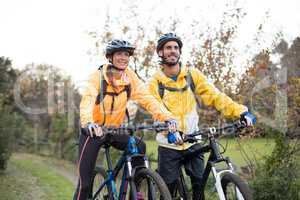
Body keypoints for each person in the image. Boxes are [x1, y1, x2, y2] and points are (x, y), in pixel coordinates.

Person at [147, 33, 256, 200]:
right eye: (168, 48)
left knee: (199, 187)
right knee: (167, 192)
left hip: (193, 140)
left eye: (176, 48)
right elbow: (155, 108)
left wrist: (240, 112)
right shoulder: (155, 81)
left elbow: (215, 96)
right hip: (169, 144)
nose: (173, 51)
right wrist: (167, 128)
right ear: (160, 53)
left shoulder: (192, 75)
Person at [73, 39, 177, 200]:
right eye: (119, 54)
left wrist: (168, 117)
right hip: (94, 131)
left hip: (115, 130)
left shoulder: (130, 77)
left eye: (126, 54)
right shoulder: (98, 77)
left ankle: (134, 192)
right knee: (85, 184)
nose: (123, 57)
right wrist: (88, 123)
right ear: (110, 57)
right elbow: (87, 100)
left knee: (139, 146)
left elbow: (147, 99)